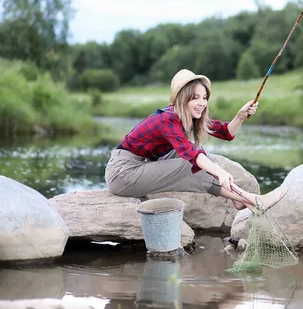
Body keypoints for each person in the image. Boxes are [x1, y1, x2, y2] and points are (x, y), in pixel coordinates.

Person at [104, 69, 286, 211]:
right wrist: (220, 173)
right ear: (183, 98)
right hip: (123, 173)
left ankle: (238, 201)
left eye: (204, 97)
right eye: (195, 98)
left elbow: (226, 133)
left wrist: (240, 116)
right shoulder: (168, 119)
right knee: (190, 164)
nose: (202, 103)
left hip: (144, 164)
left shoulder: (189, 115)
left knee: (201, 152)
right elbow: (191, 155)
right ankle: (250, 199)